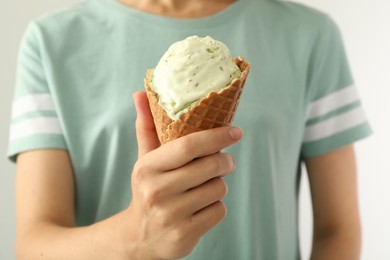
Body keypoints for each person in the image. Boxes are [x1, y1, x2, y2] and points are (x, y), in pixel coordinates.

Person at [8, 0, 372, 259]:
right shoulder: (50, 42)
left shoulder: (310, 35)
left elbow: (337, 229)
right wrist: (135, 237)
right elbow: (33, 244)